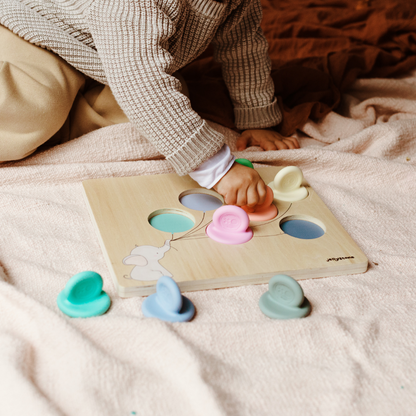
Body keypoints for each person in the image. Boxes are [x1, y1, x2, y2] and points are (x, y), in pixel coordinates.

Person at [0, 0, 299, 208]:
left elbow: (243, 47)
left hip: (112, 59)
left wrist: (258, 118)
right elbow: (140, 76)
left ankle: (66, 118)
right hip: (38, 35)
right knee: (33, 110)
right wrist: (216, 167)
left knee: (151, 117)